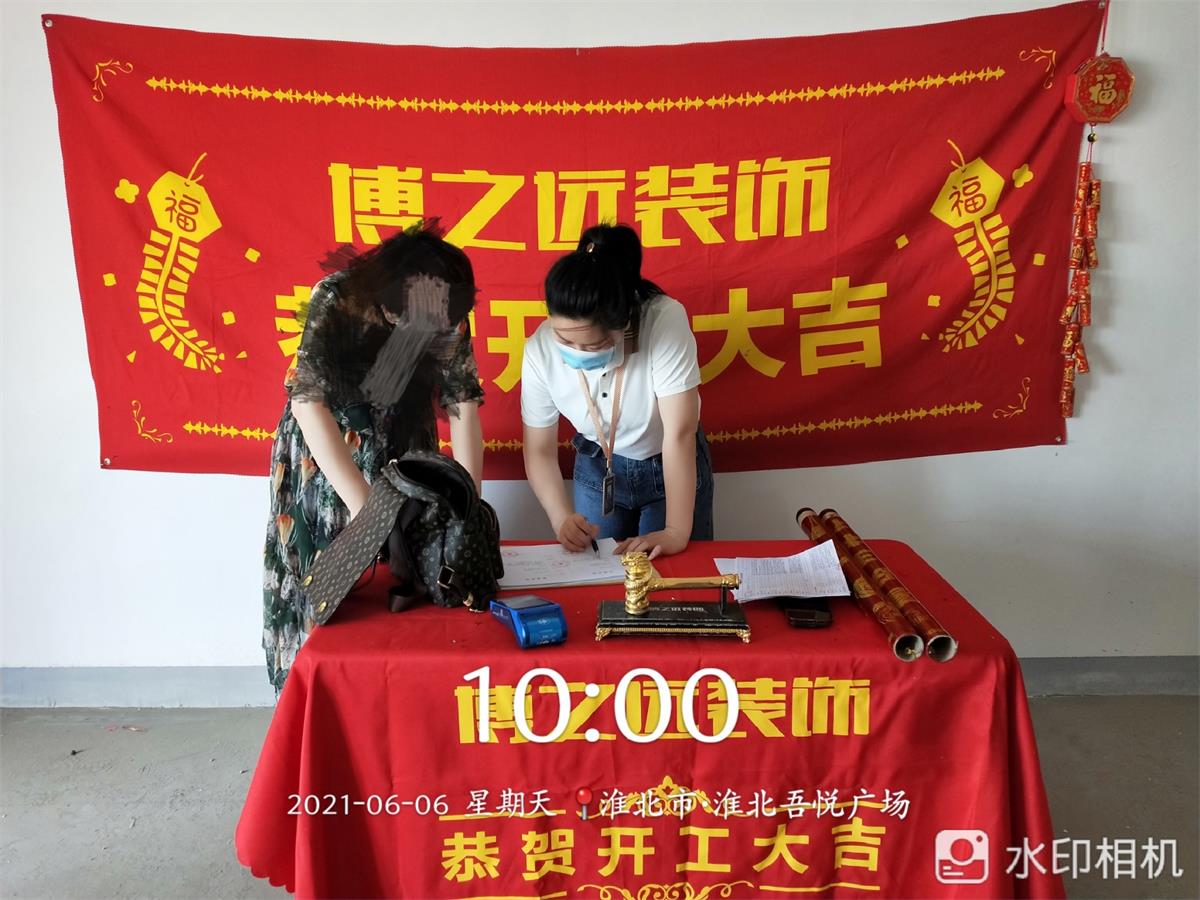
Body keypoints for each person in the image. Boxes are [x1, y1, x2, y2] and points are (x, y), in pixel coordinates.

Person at [262, 222, 484, 693]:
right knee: (328, 589)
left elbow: (462, 403)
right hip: (328, 456)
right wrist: (370, 513)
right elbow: (308, 403)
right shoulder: (339, 298)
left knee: (413, 581)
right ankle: (312, 705)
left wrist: (468, 507)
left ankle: (397, 703)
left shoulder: (445, 306)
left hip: (402, 448)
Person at [521, 223, 713, 560]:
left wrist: (675, 532)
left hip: (668, 462)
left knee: (670, 570)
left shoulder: (663, 320)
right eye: (564, 339)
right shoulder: (539, 349)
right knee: (596, 571)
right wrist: (561, 517)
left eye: (593, 345)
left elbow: (680, 432)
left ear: (624, 323)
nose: (576, 353)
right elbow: (538, 448)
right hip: (596, 466)